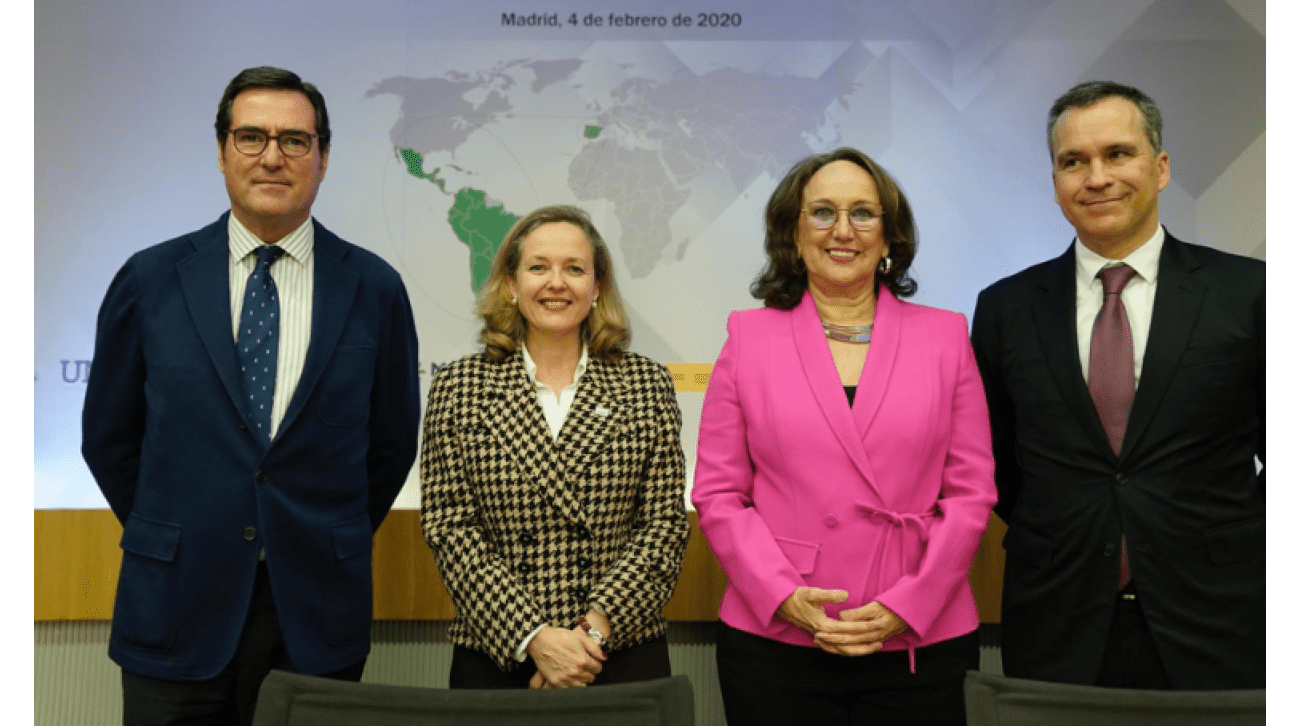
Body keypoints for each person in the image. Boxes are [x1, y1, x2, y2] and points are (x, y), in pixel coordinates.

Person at [81, 66, 421, 726]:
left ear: (322, 157)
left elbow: (389, 445)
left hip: (314, 612)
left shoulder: (374, 290)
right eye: (251, 137)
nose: (272, 156)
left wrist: (312, 534)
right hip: (176, 604)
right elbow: (109, 437)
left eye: (295, 140)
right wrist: (181, 530)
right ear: (221, 152)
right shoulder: (150, 280)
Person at [971, 81, 1265, 690]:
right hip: (1058, 618)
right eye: (1072, 161)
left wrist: (1231, 534)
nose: (1096, 177)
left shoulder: (1250, 293)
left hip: (1221, 616)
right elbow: (995, 461)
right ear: (1055, 182)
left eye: (1117, 154)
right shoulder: (1005, 308)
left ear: (1159, 168)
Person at [693, 148, 997, 725]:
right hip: (778, 635)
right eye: (822, 212)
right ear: (794, 232)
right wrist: (782, 596)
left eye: (863, 213)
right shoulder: (748, 335)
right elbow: (719, 494)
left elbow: (971, 493)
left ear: (889, 237)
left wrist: (910, 603)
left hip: (919, 637)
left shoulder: (946, 336)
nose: (843, 231)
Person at [420, 205, 689, 689]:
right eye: (538, 267)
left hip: (617, 654)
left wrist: (589, 636)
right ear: (511, 281)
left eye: (575, 268)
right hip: (501, 654)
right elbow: (450, 526)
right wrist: (536, 638)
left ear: (598, 285)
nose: (556, 283)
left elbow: (664, 526)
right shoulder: (459, 387)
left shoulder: (646, 383)